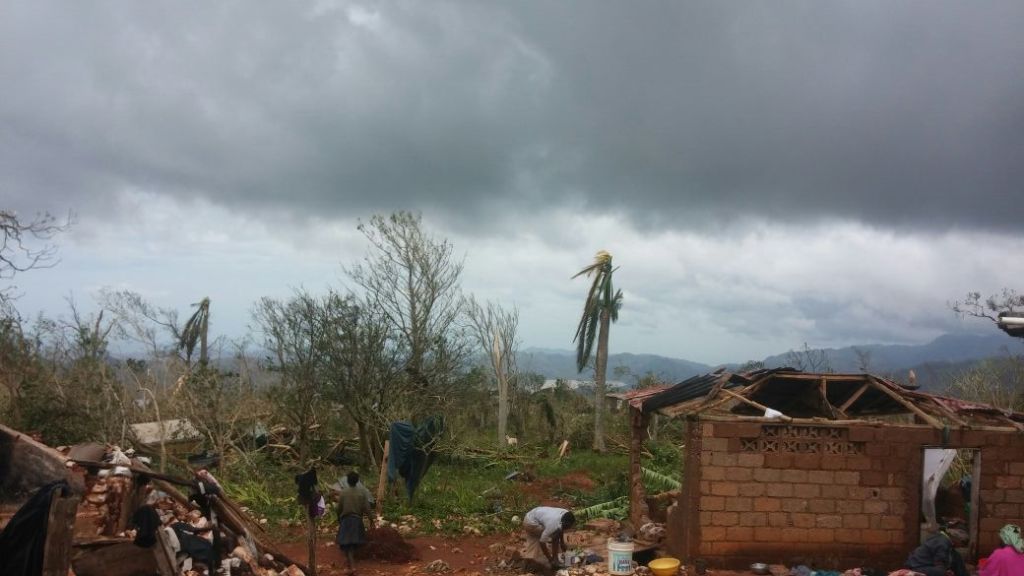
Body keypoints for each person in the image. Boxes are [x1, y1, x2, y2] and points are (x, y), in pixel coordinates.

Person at [335, 471, 374, 574]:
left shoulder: (343, 493)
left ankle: (352, 566)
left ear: (347, 481)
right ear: (357, 481)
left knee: (346, 544)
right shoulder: (362, 493)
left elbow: (339, 508)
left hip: (346, 520)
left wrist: (339, 518)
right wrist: (371, 520)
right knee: (352, 543)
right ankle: (351, 565)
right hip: (357, 520)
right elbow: (367, 508)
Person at [520, 506, 576, 571]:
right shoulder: (553, 524)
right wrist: (550, 559)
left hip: (531, 515)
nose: (568, 528)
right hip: (531, 522)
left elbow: (561, 528)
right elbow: (542, 542)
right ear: (564, 523)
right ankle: (552, 561)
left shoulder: (565, 513)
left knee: (535, 540)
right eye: (567, 527)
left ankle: (528, 562)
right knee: (552, 536)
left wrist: (562, 542)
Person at [904, 527, 969, 576]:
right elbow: (939, 562)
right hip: (918, 566)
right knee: (941, 572)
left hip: (919, 564)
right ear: (956, 538)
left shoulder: (942, 539)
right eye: (961, 543)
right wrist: (945, 571)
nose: (960, 546)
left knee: (956, 556)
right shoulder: (943, 543)